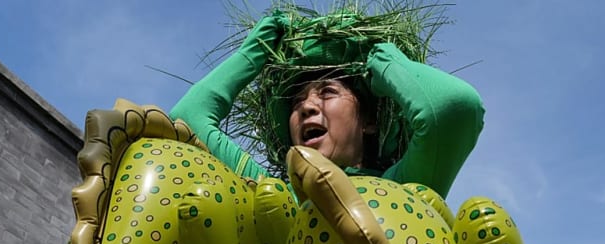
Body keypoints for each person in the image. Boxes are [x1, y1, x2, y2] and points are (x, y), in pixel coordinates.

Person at [169, 10, 484, 199]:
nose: (306, 107)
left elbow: (454, 108)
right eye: (296, 102)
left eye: (328, 92)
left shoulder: (402, 183)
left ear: (369, 121)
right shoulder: (272, 193)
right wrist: (255, 51)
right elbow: (186, 120)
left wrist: (384, 63)